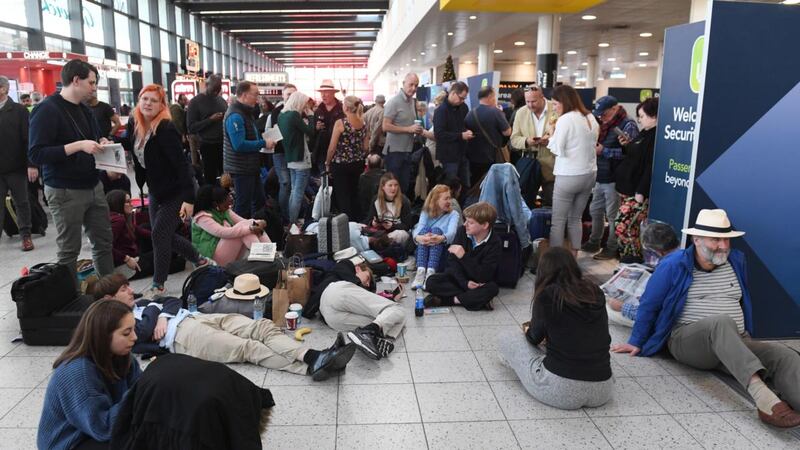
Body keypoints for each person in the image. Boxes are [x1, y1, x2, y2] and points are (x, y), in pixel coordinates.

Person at [612, 209, 800, 428]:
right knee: (720, 322)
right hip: (687, 340)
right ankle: (765, 400)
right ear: (697, 239)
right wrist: (636, 341)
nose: (722, 245)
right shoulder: (674, 264)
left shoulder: (736, 261)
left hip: (735, 340)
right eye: (715, 239)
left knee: (783, 354)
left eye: (726, 239)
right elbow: (650, 305)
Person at [92, 273, 356, 382]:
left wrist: (160, 313)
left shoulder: (141, 304)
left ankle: (315, 356)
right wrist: (157, 313)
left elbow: (171, 300)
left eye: (128, 286)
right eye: (123, 289)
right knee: (248, 348)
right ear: (108, 299)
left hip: (195, 317)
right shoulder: (118, 325)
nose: (130, 290)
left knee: (260, 326)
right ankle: (312, 365)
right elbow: (147, 328)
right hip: (185, 337)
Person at [28, 59, 114, 289]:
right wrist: (77, 146)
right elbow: (36, 154)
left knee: (103, 242)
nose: (94, 87)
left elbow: (92, 141)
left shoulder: (85, 110)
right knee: (69, 250)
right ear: (76, 80)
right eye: (91, 82)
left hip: (92, 184)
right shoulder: (46, 109)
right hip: (64, 189)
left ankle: (109, 293)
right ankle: (71, 300)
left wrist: (101, 143)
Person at [118, 84, 209, 298]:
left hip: (176, 191)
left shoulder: (166, 128)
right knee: (163, 234)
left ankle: (158, 284)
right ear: (139, 101)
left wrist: (189, 199)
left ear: (161, 105)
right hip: (156, 189)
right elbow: (130, 143)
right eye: (144, 99)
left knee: (159, 234)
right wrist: (108, 142)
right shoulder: (135, 123)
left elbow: (182, 165)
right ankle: (200, 260)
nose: (148, 103)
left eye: (153, 100)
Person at [500, 247, 613, 410]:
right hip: (603, 388)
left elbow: (534, 337)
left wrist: (529, 329)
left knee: (507, 338)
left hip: (560, 389)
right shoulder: (594, 291)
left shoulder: (547, 295)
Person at [110, 353, 275, 450]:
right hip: (224, 397)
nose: (133, 337)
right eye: (127, 332)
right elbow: (100, 426)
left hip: (213, 398)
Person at [38, 300, 141, 450]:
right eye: (127, 332)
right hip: (70, 443)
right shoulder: (77, 372)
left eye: (134, 329)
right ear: (103, 336)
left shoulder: (124, 357)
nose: (135, 337)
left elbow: (140, 390)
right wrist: (142, 392)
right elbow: (103, 428)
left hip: (93, 430)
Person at [312, 259, 406, 360]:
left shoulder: (356, 288)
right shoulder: (346, 265)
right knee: (398, 309)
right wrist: (391, 302)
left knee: (384, 320)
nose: (368, 284)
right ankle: (370, 333)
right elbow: (342, 267)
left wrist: (391, 299)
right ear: (358, 269)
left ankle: (369, 335)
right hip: (336, 292)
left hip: (331, 319)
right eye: (368, 277)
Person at [582, 96, 639, 260]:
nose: (602, 118)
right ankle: (594, 241)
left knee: (613, 215)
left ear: (615, 109)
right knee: (595, 210)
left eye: (605, 114)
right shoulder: (603, 125)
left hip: (615, 178)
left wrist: (604, 151)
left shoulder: (628, 125)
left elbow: (632, 154)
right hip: (601, 175)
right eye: (600, 115)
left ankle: (612, 247)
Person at [546, 85, 599, 254]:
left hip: (569, 175)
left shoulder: (566, 119)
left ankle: (555, 261)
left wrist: (551, 134)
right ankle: (574, 256)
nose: (554, 108)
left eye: (555, 104)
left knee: (558, 220)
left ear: (564, 101)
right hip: (589, 173)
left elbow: (558, 149)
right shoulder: (590, 117)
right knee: (575, 218)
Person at [424, 202, 501, 311]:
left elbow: (484, 276)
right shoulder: (462, 231)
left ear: (484, 225)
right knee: (431, 281)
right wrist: (465, 283)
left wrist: (463, 256)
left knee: (492, 289)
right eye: (466, 221)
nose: (465, 224)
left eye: (470, 222)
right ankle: (475, 300)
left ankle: (448, 300)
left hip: (479, 282)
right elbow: (452, 263)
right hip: (460, 279)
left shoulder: (495, 242)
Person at [607, 221, 679, 325]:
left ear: (657, 251)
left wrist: (622, 307)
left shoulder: (667, 269)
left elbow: (651, 315)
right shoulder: (682, 257)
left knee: (609, 310)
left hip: (663, 321)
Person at [614, 97, 658, 263]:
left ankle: (633, 260)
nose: (639, 119)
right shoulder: (644, 133)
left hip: (637, 192)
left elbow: (649, 165)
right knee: (626, 227)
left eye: (642, 115)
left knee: (623, 225)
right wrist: (627, 145)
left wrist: (641, 191)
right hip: (627, 188)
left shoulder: (655, 137)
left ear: (653, 116)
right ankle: (628, 259)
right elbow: (635, 155)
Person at [223, 81, 276, 219]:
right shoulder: (235, 115)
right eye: (255, 94)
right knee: (243, 205)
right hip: (241, 168)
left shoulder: (245, 113)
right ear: (245, 95)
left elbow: (249, 136)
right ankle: (239, 235)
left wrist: (262, 141)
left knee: (258, 201)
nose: (257, 98)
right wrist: (263, 142)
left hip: (250, 167)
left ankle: (255, 233)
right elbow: (239, 145)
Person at [106, 189, 184, 281]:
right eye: (127, 202)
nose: (131, 204)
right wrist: (126, 259)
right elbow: (106, 247)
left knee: (170, 247)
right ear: (117, 204)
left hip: (133, 257)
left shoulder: (123, 218)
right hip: (126, 265)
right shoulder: (118, 221)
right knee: (178, 261)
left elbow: (142, 232)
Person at [192, 184, 270, 267]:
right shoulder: (202, 217)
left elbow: (245, 221)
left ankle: (271, 256)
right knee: (243, 230)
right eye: (225, 204)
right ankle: (266, 260)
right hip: (211, 260)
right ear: (215, 204)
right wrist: (251, 228)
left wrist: (260, 222)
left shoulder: (224, 209)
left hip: (225, 252)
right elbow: (223, 232)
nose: (228, 206)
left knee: (248, 226)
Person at [0, 75, 35, 251]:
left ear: (4, 89)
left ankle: (26, 236)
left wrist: (31, 164)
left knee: (21, 202)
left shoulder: (19, 111)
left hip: (16, 167)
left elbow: (28, 139)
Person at [509, 85, 558, 206]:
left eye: (534, 101)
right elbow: (514, 139)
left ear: (542, 97)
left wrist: (551, 141)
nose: (530, 105)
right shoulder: (521, 112)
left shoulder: (556, 108)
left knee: (552, 203)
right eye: (527, 101)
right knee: (525, 203)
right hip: (529, 164)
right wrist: (526, 141)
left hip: (552, 166)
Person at [325, 95, 368, 220]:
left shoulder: (340, 123)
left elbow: (332, 147)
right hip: (357, 163)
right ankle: (356, 220)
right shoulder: (363, 123)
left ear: (346, 107)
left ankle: (346, 222)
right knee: (354, 192)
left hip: (340, 164)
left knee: (342, 194)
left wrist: (327, 162)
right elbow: (366, 147)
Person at [411, 184, 461, 289]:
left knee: (436, 231)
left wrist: (440, 238)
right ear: (436, 200)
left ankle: (430, 273)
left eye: (450, 198)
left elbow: (452, 233)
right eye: (446, 199)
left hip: (443, 252)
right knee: (424, 231)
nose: (449, 201)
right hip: (424, 250)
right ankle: (420, 272)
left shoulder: (454, 214)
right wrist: (419, 238)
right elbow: (418, 229)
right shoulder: (426, 212)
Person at [277, 91, 316, 226]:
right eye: (304, 105)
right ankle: (293, 222)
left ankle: (290, 220)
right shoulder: (294, 115)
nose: (305, 108)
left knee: (294, 191)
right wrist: (311, 117)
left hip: (290, 158)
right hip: (301, 158)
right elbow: (311, 131)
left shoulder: (282, 115)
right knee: (298, 193)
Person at [382, 73, 424, 193]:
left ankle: (401, 211)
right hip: (394, 152)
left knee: (403, 188)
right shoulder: (394, 102)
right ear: (403, 84)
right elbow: (385, 126)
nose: (414, 88)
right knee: (393, 189)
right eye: (411, 84)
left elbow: (410, 125)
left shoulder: (412, 102)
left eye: (416, 85)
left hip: (407, 151)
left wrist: (417, 129)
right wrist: (408, 129)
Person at [464, 86, 512, 186]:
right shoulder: (496, 112)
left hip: (473, 158)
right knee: (492, 186)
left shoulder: (470, 113)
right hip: (492, 157)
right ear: (490, 96)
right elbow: (507, 132)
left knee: (476, 186)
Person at [187, 74, 227, 184]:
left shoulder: (221, 101)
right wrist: (210, 120)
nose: (215, 93)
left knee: (226, 176)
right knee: (210, 177)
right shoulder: (195, 102)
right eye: (213, 90)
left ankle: (226, 198)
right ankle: (212, 199)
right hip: (207, 145)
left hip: (223, 144)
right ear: (206, 85)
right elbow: (191, 127)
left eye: (218, 90)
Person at [266, 83, 297, 224]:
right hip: (280, 153)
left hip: (296, 153)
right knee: (285, 183)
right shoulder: (276, 112)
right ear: (283, 96)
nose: (291, 97)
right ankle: (285, 217)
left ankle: (292, 216)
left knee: (294, 185)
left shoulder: (300, 111)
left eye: (293, 94)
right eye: (288, 94)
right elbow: (276, 132)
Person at [433, 81, 473, 189]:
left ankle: (462, 206)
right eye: (461, 98)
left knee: (465, 186)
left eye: (464, 98)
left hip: (462, 154)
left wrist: (468, 132)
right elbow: (439, 134)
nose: (462, 101)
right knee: (449, 188)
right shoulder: (441, 111)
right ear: (453, 93)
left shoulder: (463, 108)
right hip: (448, 157)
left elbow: (464, 126)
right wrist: (460, 135)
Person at [365, 172, 413, 245]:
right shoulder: (376, 200)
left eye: (396, 185)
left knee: (399, 234)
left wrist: (392, 226)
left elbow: (407, 225)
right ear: (383, 187)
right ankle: (379, 243)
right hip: (380, 231)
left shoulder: (404, 201)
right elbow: (369, 219)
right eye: (390, 185)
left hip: (397, 232)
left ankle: (379, 243)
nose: (393, 188)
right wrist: (373, 223)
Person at [312, 80, 345, 174]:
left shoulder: (342, 109)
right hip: (321, 151)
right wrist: (316, 128)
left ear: (333, 93)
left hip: (339, 151)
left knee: (337, 180)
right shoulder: (318, 110)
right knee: (324, 180)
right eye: (321, 93)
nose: (323, 95)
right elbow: (312, 133)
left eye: (326, 92)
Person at [358, 153, 385, 222]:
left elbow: (361, 194)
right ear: (381, 164)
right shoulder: (386, 176)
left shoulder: (363, 177)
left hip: (367, 209)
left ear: (368, 165)